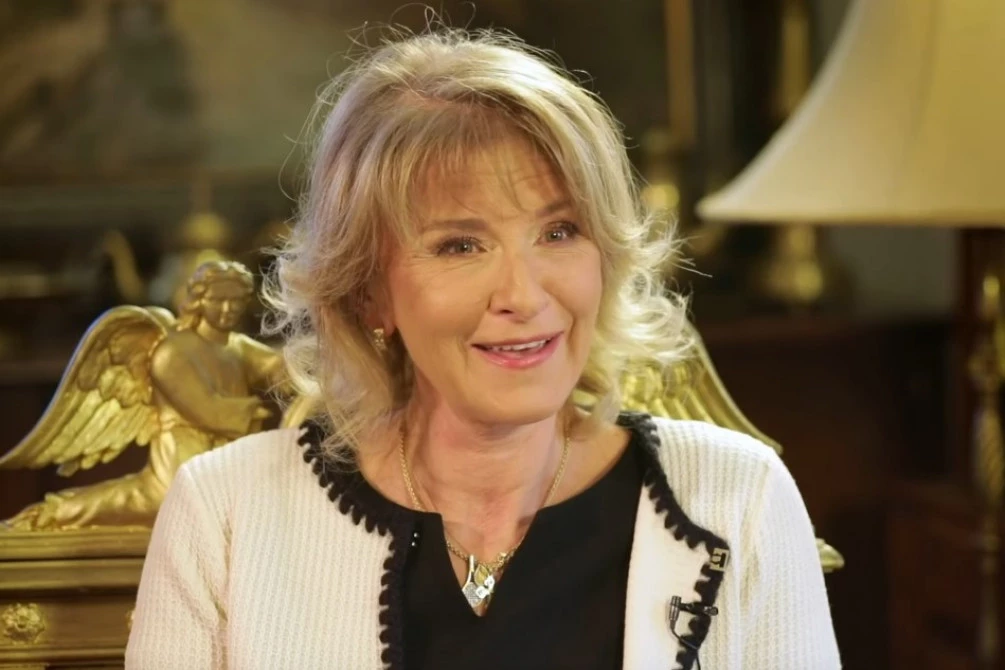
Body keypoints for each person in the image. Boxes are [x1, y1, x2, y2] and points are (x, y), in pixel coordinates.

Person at [126, 28, 841, 669]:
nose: (523, 295)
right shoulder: (225, 513)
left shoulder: (737, 498)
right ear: (369, 291)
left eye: (559, 232)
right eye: (460, 245)